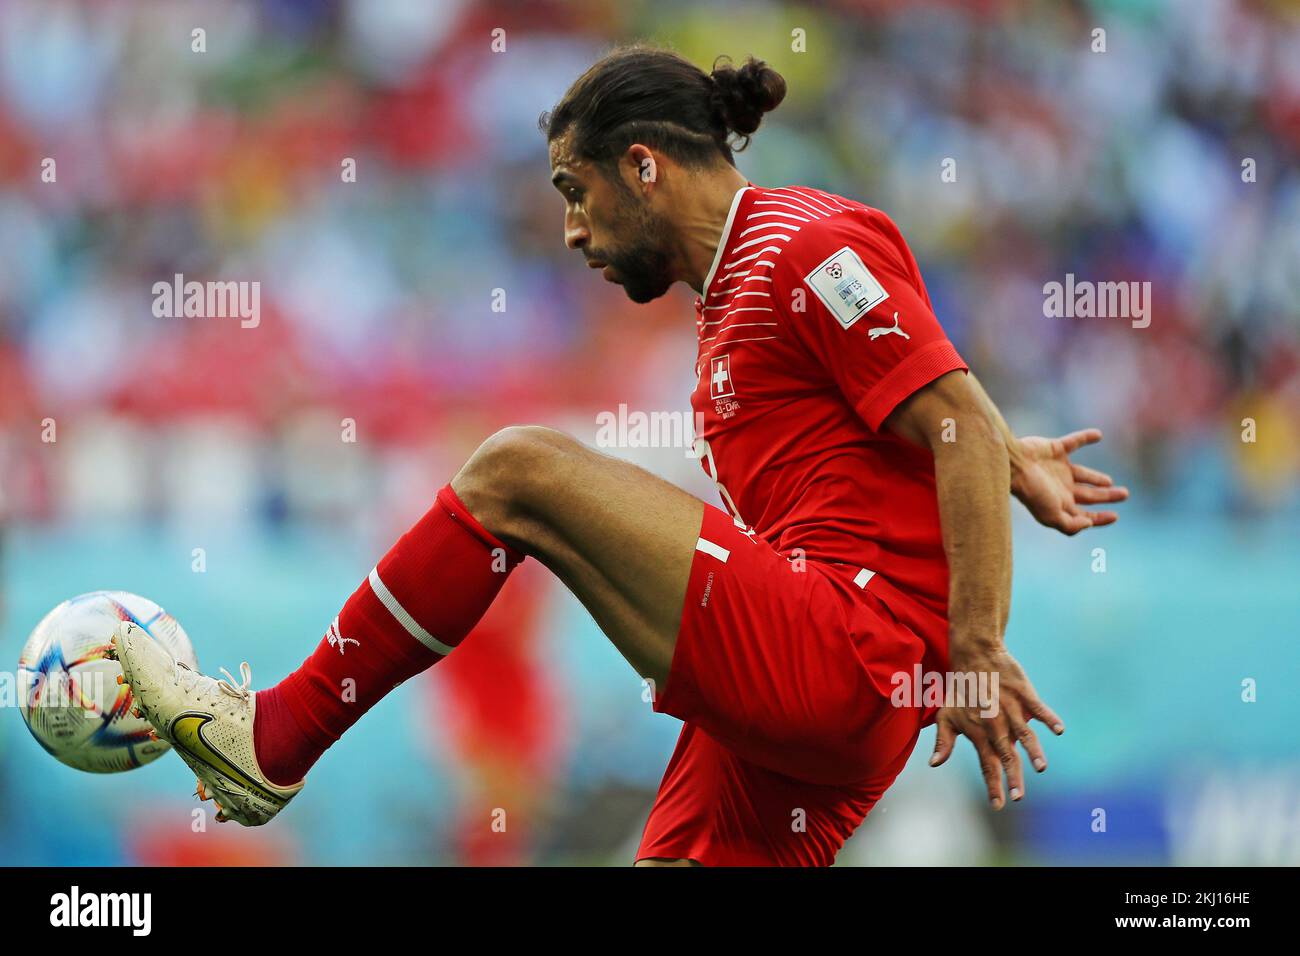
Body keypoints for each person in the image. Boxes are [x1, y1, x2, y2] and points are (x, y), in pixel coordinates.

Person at [111, 45, 1127, 866]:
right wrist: (1002, 449)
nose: (567, 230)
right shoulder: (738, 293)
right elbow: (925, 409)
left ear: (642, 163)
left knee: (518, 472)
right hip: (826, 696)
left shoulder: (797, 248)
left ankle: (275, 738)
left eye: (575, 189)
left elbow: (942, 410)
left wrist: (979, 642)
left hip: (849, 651)